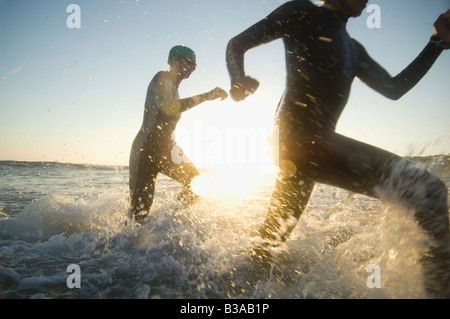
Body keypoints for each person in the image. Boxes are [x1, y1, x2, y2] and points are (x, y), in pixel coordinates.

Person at [226, 0, 450, 297]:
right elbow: (237, 43)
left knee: (271, 240)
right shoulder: (302, 12)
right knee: (427, 190)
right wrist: (237, 78)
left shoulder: (353, 48)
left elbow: (395, 88)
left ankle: (226, 286)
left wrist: (436, 43)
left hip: (305, 148)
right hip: (298, 139)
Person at [130, 45, 228, 223]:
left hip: (167, 148)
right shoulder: (162, 78)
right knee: (139, 214)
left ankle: (166, 223)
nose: (192, 68)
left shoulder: (174, 87)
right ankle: (120, 248)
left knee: (197, 184)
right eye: (189, 62)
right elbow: (169, 108)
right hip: (145, 148)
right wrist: (206, 96)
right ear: (175, 60)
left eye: (195, 65)